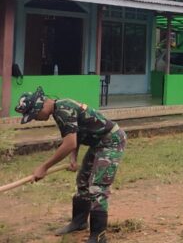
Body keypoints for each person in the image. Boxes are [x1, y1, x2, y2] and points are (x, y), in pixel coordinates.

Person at [15, 87, 126, 243]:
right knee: (83, 181)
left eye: (34, 115)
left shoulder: (63, 109)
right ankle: (79, 222)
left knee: (97, 187)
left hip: (111, 141)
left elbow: (69, 144)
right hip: (98, 143)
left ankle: (98, 236)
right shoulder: (59, 111)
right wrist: (73, 158)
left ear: (40, 106)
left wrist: (44, 167)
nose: (36, 119)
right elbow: (76, 135)